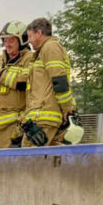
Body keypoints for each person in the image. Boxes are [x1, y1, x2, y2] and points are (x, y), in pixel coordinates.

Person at [0, 22, 34, 149]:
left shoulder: (30, 59)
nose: (7, 44)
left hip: (12, 125)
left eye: (11, 41)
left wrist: (2, 75)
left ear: (22, 40)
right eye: (5, 40)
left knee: (9, 162)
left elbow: (26, 83)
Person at [23, 17, 74, 146]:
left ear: (39, 33)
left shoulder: (51, 48)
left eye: (30, 37)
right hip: (40, 116)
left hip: (43, 116)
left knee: (29, 159)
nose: (28, 41)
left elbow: (59, 81)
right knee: (46, 159)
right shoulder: (43, 51)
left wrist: (67, 109)